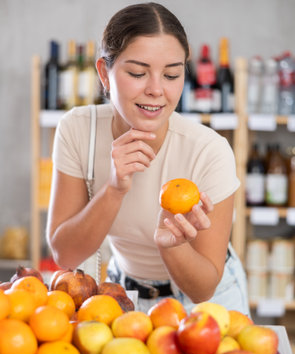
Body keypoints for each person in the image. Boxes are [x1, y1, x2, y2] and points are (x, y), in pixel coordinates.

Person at [46, 2, 250, 316]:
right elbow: (65, 254)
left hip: (207, 305)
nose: (156, 90)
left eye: (171, 75)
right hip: (121, 294)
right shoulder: (78, 130)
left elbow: (203, 288)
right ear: (105, 73)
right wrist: (114, 188)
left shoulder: (209, 150)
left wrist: (173, 244)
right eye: (138, 73)